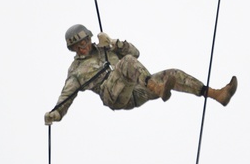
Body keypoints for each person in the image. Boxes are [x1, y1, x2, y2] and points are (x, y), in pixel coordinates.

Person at [44, 24, 236, 124]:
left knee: (173, 73)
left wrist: (114, 43)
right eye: (77, 47)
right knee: (126, 64)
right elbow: (67, 93)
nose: (82, 48)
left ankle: (217, 94)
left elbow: (135, 53)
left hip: (137, 89)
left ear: (89, 39)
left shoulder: (105, 48)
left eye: (84, 43)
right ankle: (158, 88)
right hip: (113, 96)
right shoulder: (76, 70)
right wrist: (56, 113)